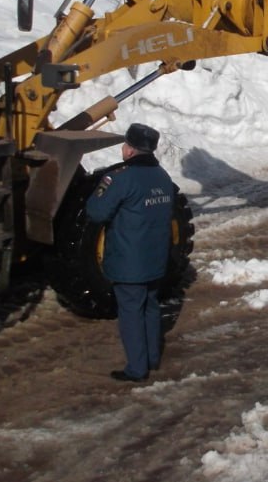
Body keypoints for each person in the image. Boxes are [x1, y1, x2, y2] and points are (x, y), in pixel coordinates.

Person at [86, 122, 179, 382]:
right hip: (155, 259)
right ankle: (151, 358)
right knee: (149, 306)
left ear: (129, 150)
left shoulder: (121, 178)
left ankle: (137, 369)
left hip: (129, 262)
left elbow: (96, 212)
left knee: (130, 313)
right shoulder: (162, 177)